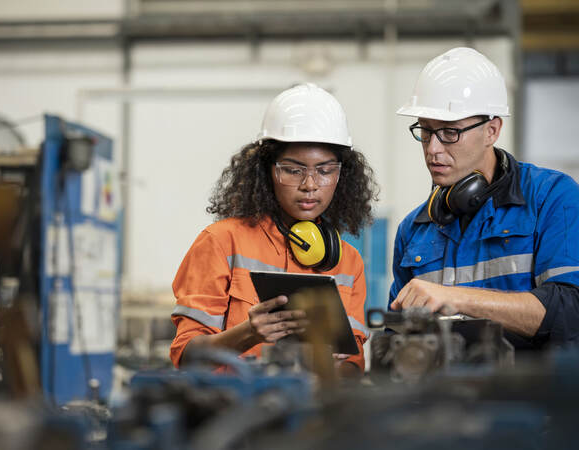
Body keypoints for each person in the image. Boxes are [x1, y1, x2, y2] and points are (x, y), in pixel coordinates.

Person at [170, 83, 378, 374]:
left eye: (325, 170)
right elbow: (185, 356)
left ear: (342, 175)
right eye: (293, 170)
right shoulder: (221, 242)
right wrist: (248, 334)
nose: (309, 185)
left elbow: (354, 367)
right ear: (267, 170)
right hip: (232, 411)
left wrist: (327, 367)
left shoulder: (348, 262)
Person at [389, 47, 579, 348]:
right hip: (441, 394)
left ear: (492, 130)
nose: (432, 149)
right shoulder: (414, 229)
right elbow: (395, 338)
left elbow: (569, 313)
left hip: (531, 393)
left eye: (449, 132)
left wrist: (455, 298)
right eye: (425, 131)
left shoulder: (552, 198)